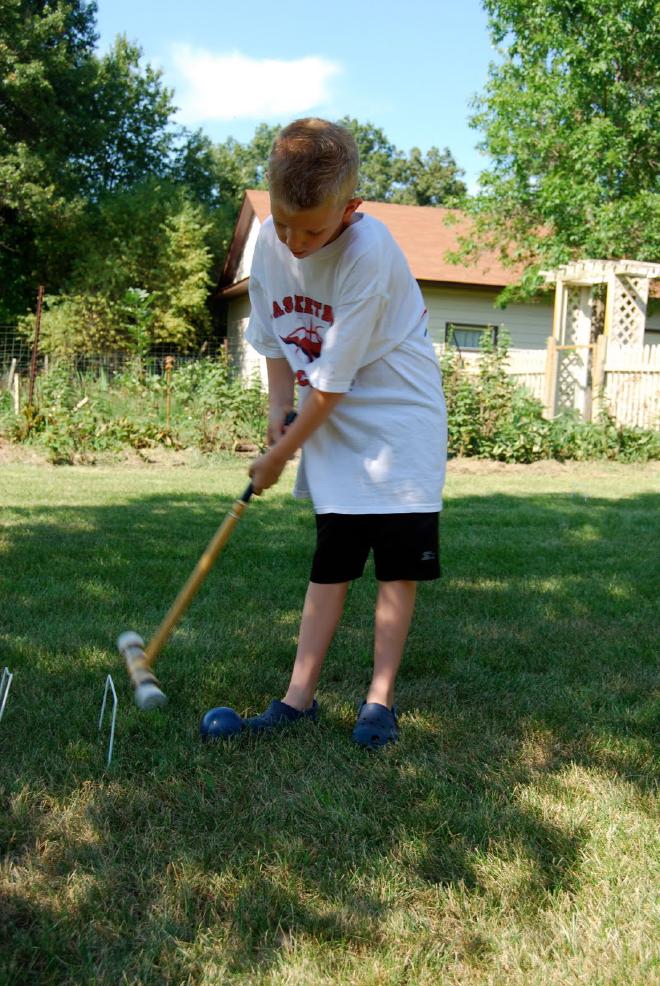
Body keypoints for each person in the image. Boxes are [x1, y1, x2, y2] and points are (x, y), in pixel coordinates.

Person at [237, 118, 446, 747]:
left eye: (313, 230)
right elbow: (273, 333)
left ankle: (379, 701)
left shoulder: (369, 251)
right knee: (332, 559)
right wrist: (278, 408)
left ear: (351, 209)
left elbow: (331, 384)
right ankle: (297, 699)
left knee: (395, 566)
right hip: (327, 412)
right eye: (285, 224)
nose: (296, 243)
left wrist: (280, 456)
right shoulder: (269, 242)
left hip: (399, 413)